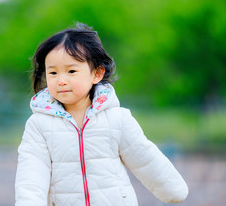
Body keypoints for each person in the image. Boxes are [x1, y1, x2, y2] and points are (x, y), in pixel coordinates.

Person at [15, 23, 188, 206]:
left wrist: (174, 190)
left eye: (71, 71)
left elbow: (144, 158)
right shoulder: (39, 125)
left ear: (96, 74)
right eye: (53, 72)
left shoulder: (117, 119)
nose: (61, 80)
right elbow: (32, 174)